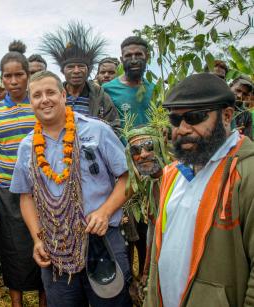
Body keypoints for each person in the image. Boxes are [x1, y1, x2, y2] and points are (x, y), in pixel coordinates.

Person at [10, 71, 131, 306]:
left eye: (50, 92)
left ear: (63, 95)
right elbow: (26, 197)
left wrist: (104, 212)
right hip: (57, 247)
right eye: (37, 95)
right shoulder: (27, 146)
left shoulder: (96, 131)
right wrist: (38, 240)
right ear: (30, 102)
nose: (44, 99)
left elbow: (128, 179)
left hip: (102, 239)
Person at [145, 73, 254, 307]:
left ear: (226, 116)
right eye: (175, 120)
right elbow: (158, 255)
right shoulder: (173, 173)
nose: (182, 129)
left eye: (194, 117)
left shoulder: (248, 173)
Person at [0, 40, 46, 307]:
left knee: (45, 241)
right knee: (11, 247)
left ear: (28, 75)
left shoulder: (41, 106)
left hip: (44, 188)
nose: (13, 80)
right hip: (7, 190)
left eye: (19, 74)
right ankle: (16, 302)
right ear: (2, 78)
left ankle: (45, 299)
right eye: (7, 75)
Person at [121, 106, 170, 305]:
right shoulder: (149, 184)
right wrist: (146, 272)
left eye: (149, 146)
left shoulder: (178, 179)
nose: (142, 154)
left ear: (161, 145)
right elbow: (152, 230)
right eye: (135, 150)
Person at [41, 22, 120, 131]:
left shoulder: (101, 97)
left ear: (89, 70)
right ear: (62, 71)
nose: (76, 71)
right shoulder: (53, 96)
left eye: (81, 66)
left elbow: (115, 128)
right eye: (71, 67)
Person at [103, 36, 155, 128]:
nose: (134, 60)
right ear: (122, 59)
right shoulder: (106, 89)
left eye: (138, 54)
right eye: (128, 56)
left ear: (147, 57)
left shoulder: (154, 89)